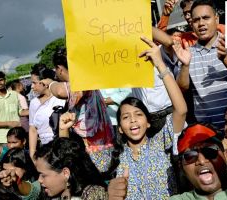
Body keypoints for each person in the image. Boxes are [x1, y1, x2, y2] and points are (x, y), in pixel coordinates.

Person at [79, 36, 187, 199]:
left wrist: (160, 64)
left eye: (138, 114)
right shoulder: (113, 155)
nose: (133, 120)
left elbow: (180, 109)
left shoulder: (161, 142)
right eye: (126, 117)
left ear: (148, 123)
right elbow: (79, 163)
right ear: (120, 128)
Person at [174, 0, 227, 129]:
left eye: (206, 18)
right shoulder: (187, 53)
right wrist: (185, 66)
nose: (201, 24)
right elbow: (182, 88)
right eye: (196, 20)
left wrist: (226, 58)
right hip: (207, 132)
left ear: (216, 19)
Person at [40, 48, 114, 153]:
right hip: (100, 145)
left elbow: (60, 91)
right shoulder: (86, 80)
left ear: (60, 69)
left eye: (55, 69)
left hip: (96, 149)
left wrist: (50, 82)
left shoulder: (81, 82)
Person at [169, 123, 227, 200]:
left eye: (210, 151)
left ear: (225, 156)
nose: (202, 161)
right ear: (181, 166)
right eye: (190, 156)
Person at [0, 137, 108, 200]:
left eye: (43, 175)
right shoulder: (55, 189)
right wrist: (16, 182)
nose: (39, 180)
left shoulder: (94, 194)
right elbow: (33, 190)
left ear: (65, 173)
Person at [29, 64, 65, 159]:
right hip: (44, 150)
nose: (32, 86)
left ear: (45, 82)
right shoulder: (33, 103)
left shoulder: (61, 98)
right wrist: (32, 154)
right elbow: (32, 129)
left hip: (62, 147)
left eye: (34, 83)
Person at [0, 71, 28, 145]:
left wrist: (33, 110)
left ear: (5, 80)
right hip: (3, 139)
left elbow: (20, 111)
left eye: (1, 80)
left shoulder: (14, 94)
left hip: (18, 135)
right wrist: (8, 123)